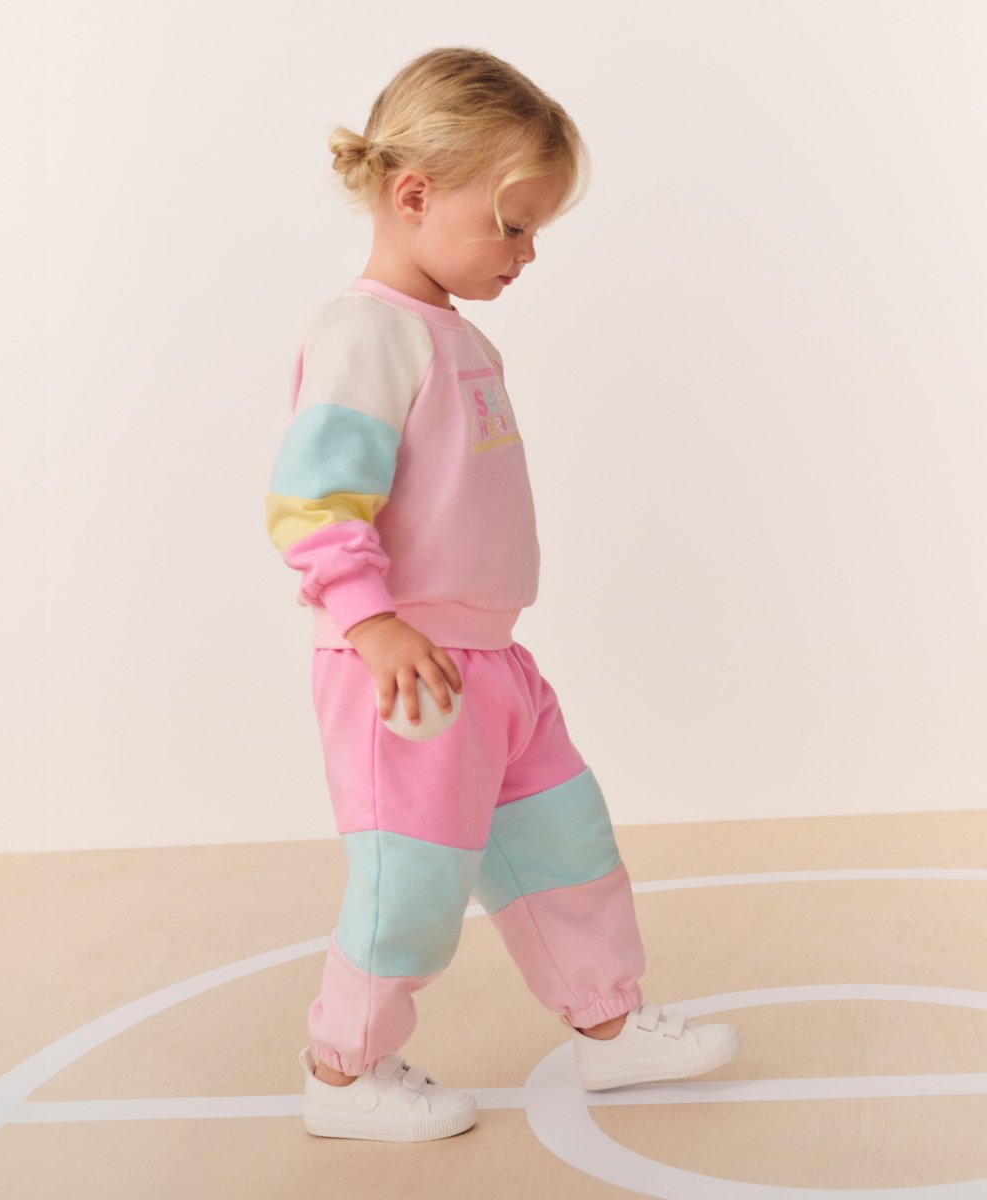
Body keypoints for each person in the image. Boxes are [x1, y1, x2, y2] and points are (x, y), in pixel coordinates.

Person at [265, 46, 741, 1144]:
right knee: (411, 887)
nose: (528, 253)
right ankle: (342, 1073)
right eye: (514, 225)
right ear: (414, 195)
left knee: (566, 845)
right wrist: (371, 621)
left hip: (493, 663)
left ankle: (607, 1027)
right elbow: (312, 501)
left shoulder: (455, 334)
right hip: (406, 672)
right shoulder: (367, 333)